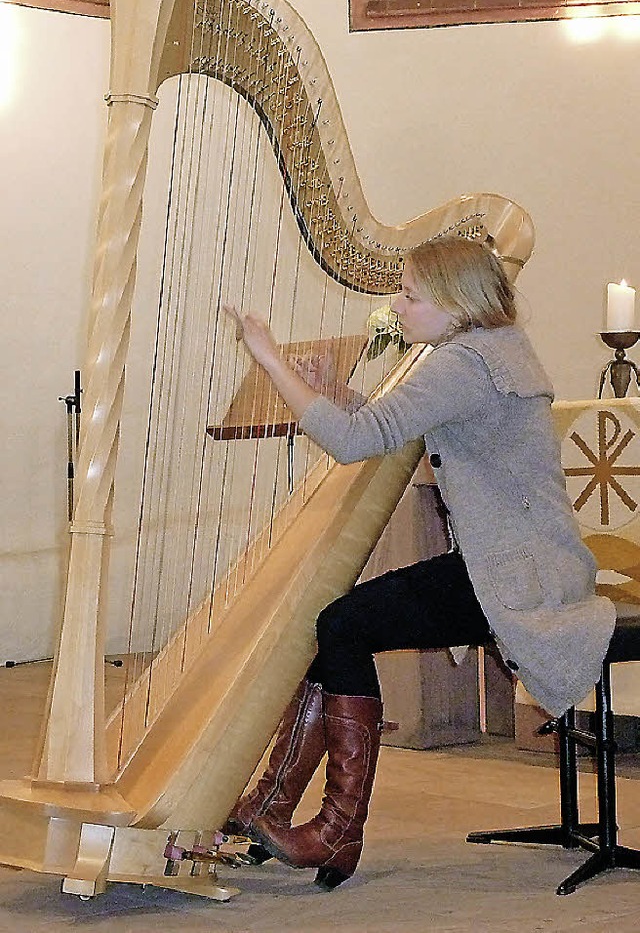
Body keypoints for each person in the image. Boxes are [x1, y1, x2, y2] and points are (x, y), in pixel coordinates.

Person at [223, 236, 616, 891]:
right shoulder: (491, 350)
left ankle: (333, 827)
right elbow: (395, 424)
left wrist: (269, 358)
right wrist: (338, 391)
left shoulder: (464, 363)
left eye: (410, 293)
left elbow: (354, 443)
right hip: (527, 560)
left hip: (514, 576)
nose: (398, 304)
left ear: (453, 302)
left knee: (343, 624)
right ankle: (275, 809)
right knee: (342, 622)